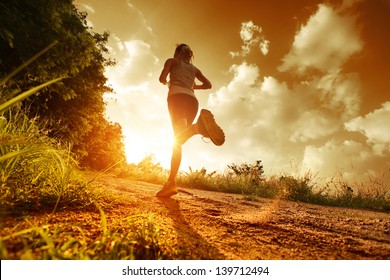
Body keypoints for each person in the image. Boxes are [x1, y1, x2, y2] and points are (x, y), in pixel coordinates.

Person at [156, 43, 225, 198]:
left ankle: (197, 128)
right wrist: (193, 87)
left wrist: (168, 83)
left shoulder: (172, 61)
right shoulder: (194, 69)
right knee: (179, 140)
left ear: (177, 52)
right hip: (192, 101)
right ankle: (171, 183)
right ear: (189, 55)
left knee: (177, 140)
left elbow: (161, 78)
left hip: (177, 98)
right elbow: (208, 85)